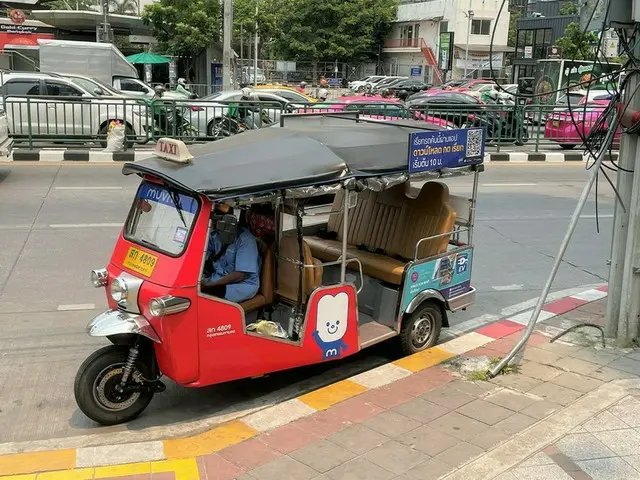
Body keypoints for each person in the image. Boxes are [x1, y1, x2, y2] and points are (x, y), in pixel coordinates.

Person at [202, 204, 261, 303]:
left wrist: (211, 285)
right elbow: (203, 256)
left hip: (241, 284)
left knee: (206, 297)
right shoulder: (215, 234)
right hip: (218, 277)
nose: (213, 223)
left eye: (217, 221)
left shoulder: (245, 239)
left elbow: (240, 275)